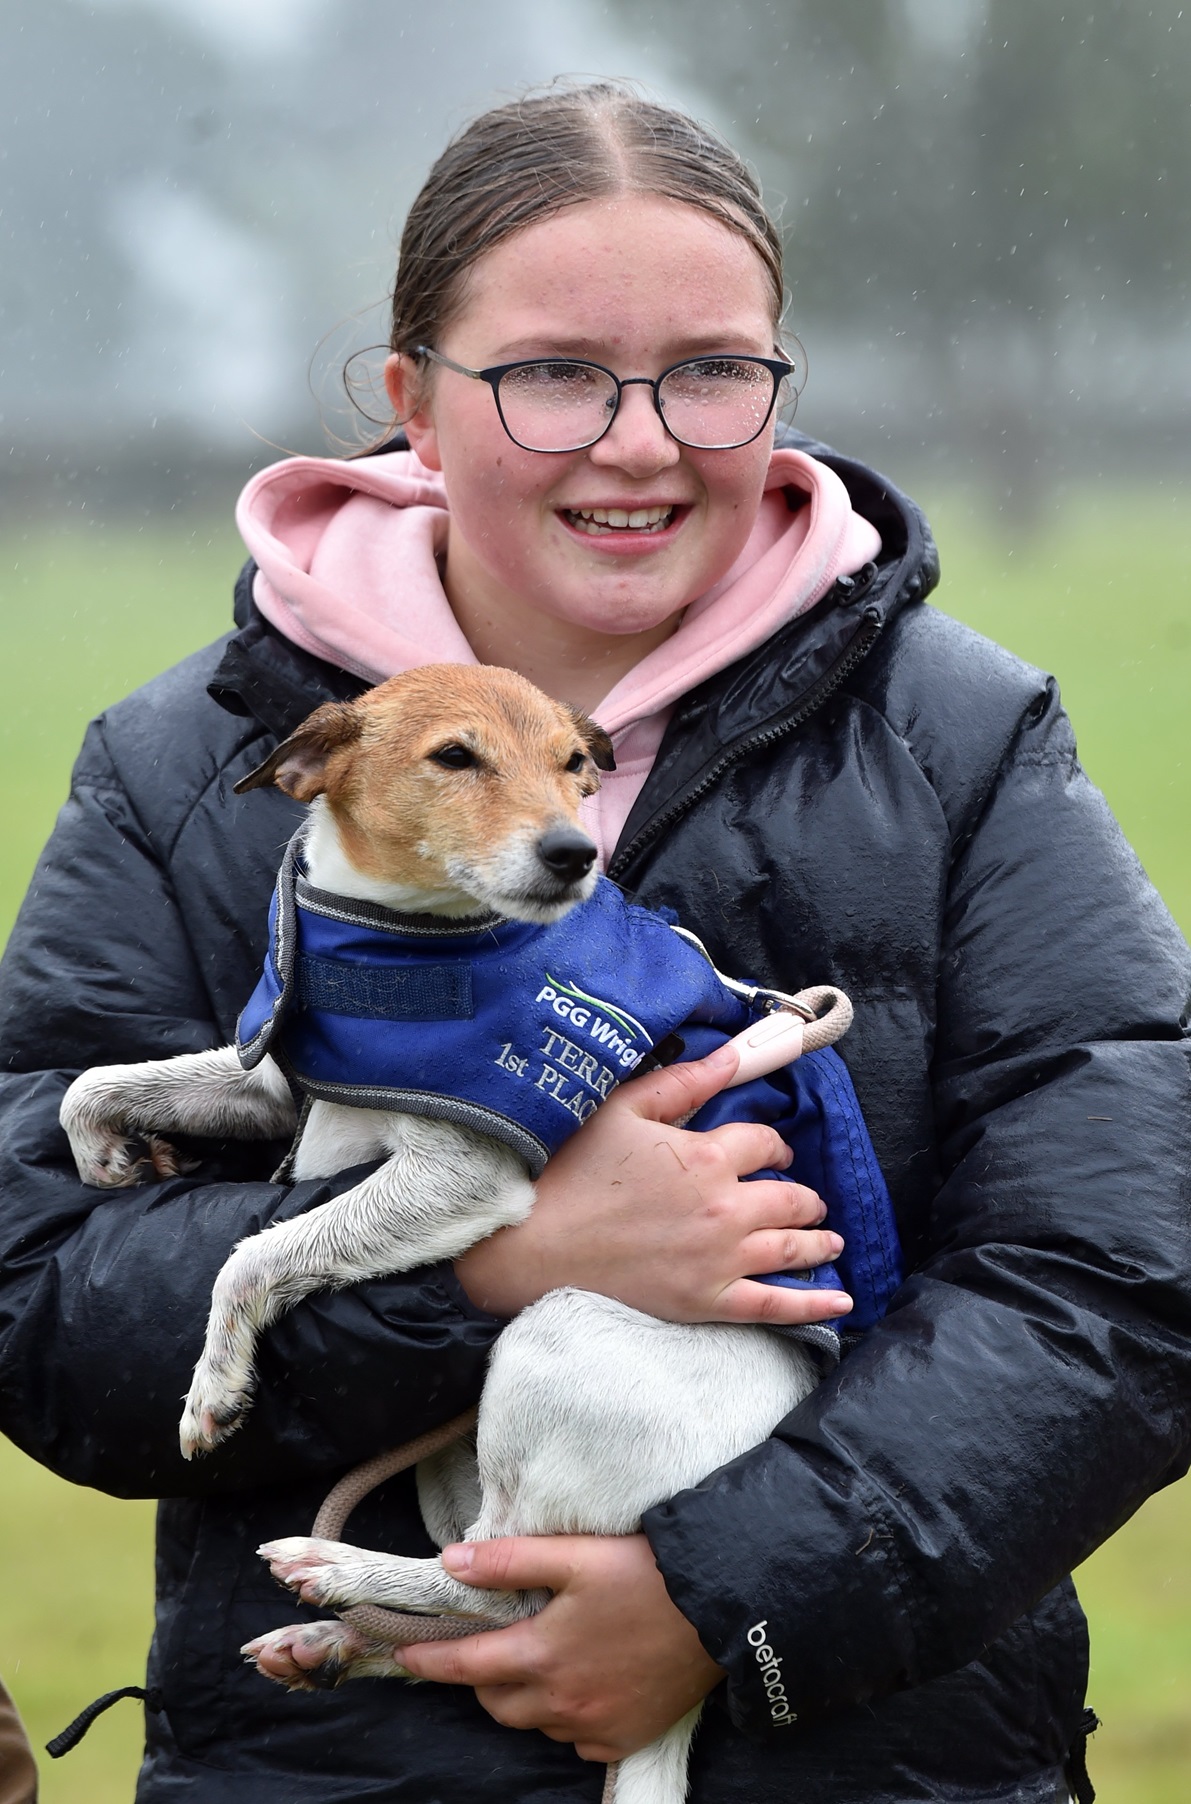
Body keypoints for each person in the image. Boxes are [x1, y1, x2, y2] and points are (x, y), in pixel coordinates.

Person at [0, 80, 1188, 1804]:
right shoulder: (190, 771)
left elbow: (1120, 1285)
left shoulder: (964, 743)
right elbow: (37, 1302)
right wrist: (492, 1261)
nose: (641, 441)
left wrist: (731, 1605)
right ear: (412, 401)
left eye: (712, 369)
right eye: (554, 372)